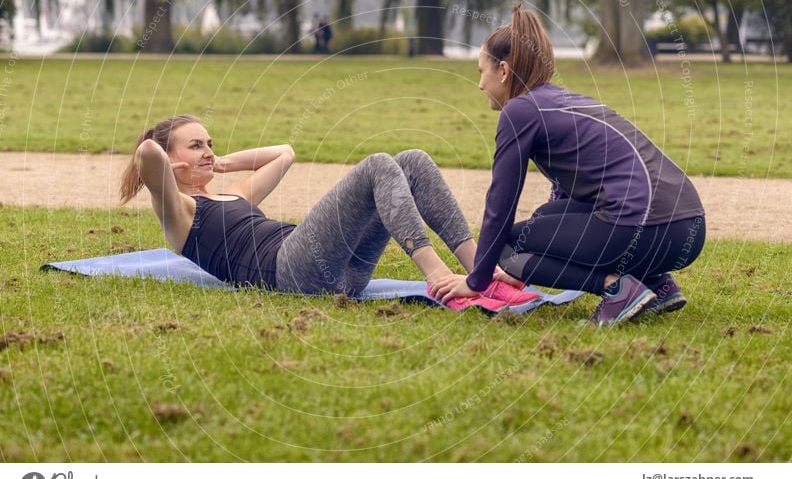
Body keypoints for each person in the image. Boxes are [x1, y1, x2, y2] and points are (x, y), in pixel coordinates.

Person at [430, 5, 706, 326]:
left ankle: (617, 290)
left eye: (481, 71)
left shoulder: (519, 111)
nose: (479, 84)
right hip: (688, 231)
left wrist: (477, 279)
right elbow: (563, 198)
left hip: (644, 227)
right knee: (545, 218)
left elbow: (500, 203)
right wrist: (535, 264)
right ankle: (659, 285)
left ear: (503, 71)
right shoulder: (560, 100)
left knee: (510, 245)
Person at [119, 115, 537, 310]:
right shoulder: (181, 213)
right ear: (173, 161)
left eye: (209, 142)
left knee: (411, 159)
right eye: (196, 147)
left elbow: (285, 153)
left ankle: (481, 274)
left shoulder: (235, 194)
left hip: (342, 274)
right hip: (291, 274)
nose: (208, 151)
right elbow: (147, 153)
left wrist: (221, 162)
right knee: (376, 164)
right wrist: (171, 177)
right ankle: (438, 276)